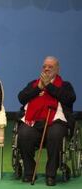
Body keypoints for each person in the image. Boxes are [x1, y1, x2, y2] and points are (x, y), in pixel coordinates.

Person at [17, 56, 76, 186]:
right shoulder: (34, 83)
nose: (47, 69)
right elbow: (21, 98)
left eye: (50, 67)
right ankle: (29, 172)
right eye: (44, 66)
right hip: (35, 122)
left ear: (57, 70)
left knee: (55, 134)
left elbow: (69, 99)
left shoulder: (65, 85)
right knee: (23, 133)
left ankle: (51, 174)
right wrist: (38, 88)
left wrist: (49, 86)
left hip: (56, 122)